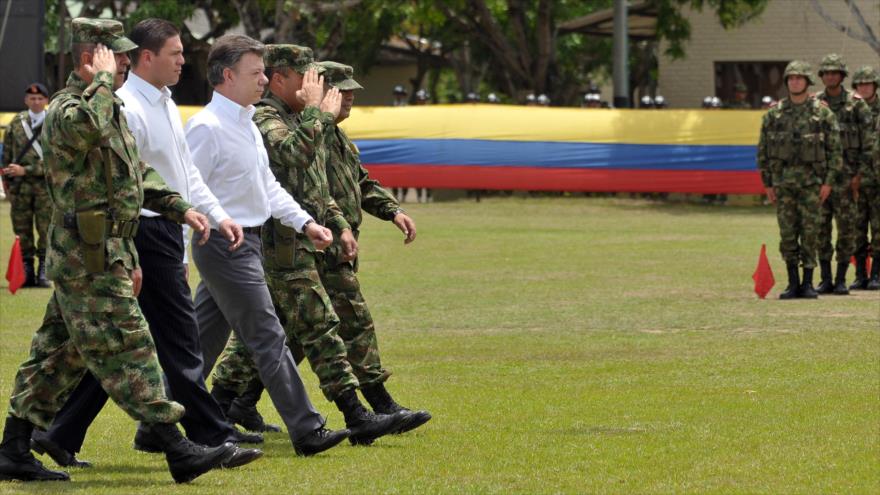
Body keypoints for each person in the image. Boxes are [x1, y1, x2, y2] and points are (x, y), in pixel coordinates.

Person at [0, 18, 241, 484]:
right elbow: (83, 130)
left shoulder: (108, 106)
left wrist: (181, 207)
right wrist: (104, 84)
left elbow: (136, 174)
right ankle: (176, 447)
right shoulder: (70, 108)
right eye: (118, 55)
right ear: (91, 58)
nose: (127, 62)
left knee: (56, 355)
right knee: (132, 345)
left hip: (104, 250)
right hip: (85, 255)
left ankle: (13, 447)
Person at [208, 44, 409, 445]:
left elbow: (318, 187)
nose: (314, 86)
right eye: (306, 77)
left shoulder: (299, 119)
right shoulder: (265, 118)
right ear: (280, 79)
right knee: (318, 326)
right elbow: (292, 156)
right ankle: (357, 413)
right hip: (275, 245)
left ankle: (225, 406)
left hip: (301, 239)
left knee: (280, 332)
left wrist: (333, 223)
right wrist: (319, 115)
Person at [185, 34, 349, 457]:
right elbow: (189, 190)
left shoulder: (246, 122)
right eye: (256, 73)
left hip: (247, 242)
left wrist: (305, 222)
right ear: (227, 76)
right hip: (226, 244)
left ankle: (159, 423)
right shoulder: (206, 127)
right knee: (268, 337)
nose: (264, 80)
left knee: (202, 342)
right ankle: (307, 429)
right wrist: (199, 242)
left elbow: (268, 187)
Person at [319, 60, 432, 431]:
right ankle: (380, 404)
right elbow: (313, 192)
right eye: (342, 90)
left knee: (295, 333)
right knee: (354, 321)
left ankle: (232, 398)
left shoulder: (338, 138)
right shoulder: (311, 136)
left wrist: (393, 211)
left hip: (337, 248)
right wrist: (338, 227)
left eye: (352, 90)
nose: (350, 97)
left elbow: (362, 183)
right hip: (320, 246)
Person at [757, 60, 843, 299]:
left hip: (812, 185)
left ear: (807, 82)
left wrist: (828, 182)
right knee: (787, 235)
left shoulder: (822, 113)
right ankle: (792, 283)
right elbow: (763, 151)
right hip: (783, 186)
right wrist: (768, 183)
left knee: (810, 234)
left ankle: (807, 284)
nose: (795, 82)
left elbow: (835, 151)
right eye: (791, 78)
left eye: (799, 78)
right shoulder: (774, 114)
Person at [814, 54, 876, 294]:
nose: (830, 76)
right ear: (822, 76)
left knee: (847, 230)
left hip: (848, 179)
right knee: (821, 230)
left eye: (835, 72)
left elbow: (868, 144)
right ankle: (825, 279)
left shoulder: (856, 104)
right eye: (826, 73)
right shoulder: (814, 103)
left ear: (842, 76)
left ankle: (841, 279)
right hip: (820, 179)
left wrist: (858, 174)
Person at [1, 82, 52, 287]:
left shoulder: (53, 123)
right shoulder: (16, 123)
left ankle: (44, 270)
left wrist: (27, 170)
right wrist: (7, 181)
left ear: (46, 100)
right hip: (20, 188)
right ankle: (26, 270)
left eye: (40, 98)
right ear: (26, 100)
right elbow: (7, 155)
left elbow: (57, 160)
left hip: (45, 189)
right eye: (32, 98)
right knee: (22, 231)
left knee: (46, 230)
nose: (36, 102)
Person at [849, 65, 880, 290]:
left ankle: (877, 274)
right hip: (855, 181)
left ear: (875, 86)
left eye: (868, 84)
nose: (864, 88)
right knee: (856, 229)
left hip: (878, 180)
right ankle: (860, 274)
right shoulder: (850, 112)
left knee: (879, 229)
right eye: (860, 84)